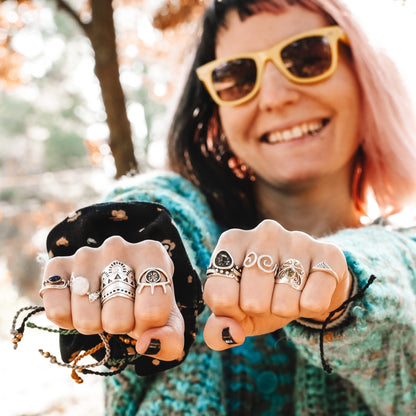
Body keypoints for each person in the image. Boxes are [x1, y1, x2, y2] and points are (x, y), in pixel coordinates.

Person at [34, 0, 416, 414]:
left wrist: (345, 284)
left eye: (307, 57)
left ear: (364, 74)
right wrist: (135, 241)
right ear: (216, 109)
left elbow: (398, 272)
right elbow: (170, 215)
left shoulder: (403, 258)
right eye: (236, 76)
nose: (274, 97)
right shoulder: (193, 221)